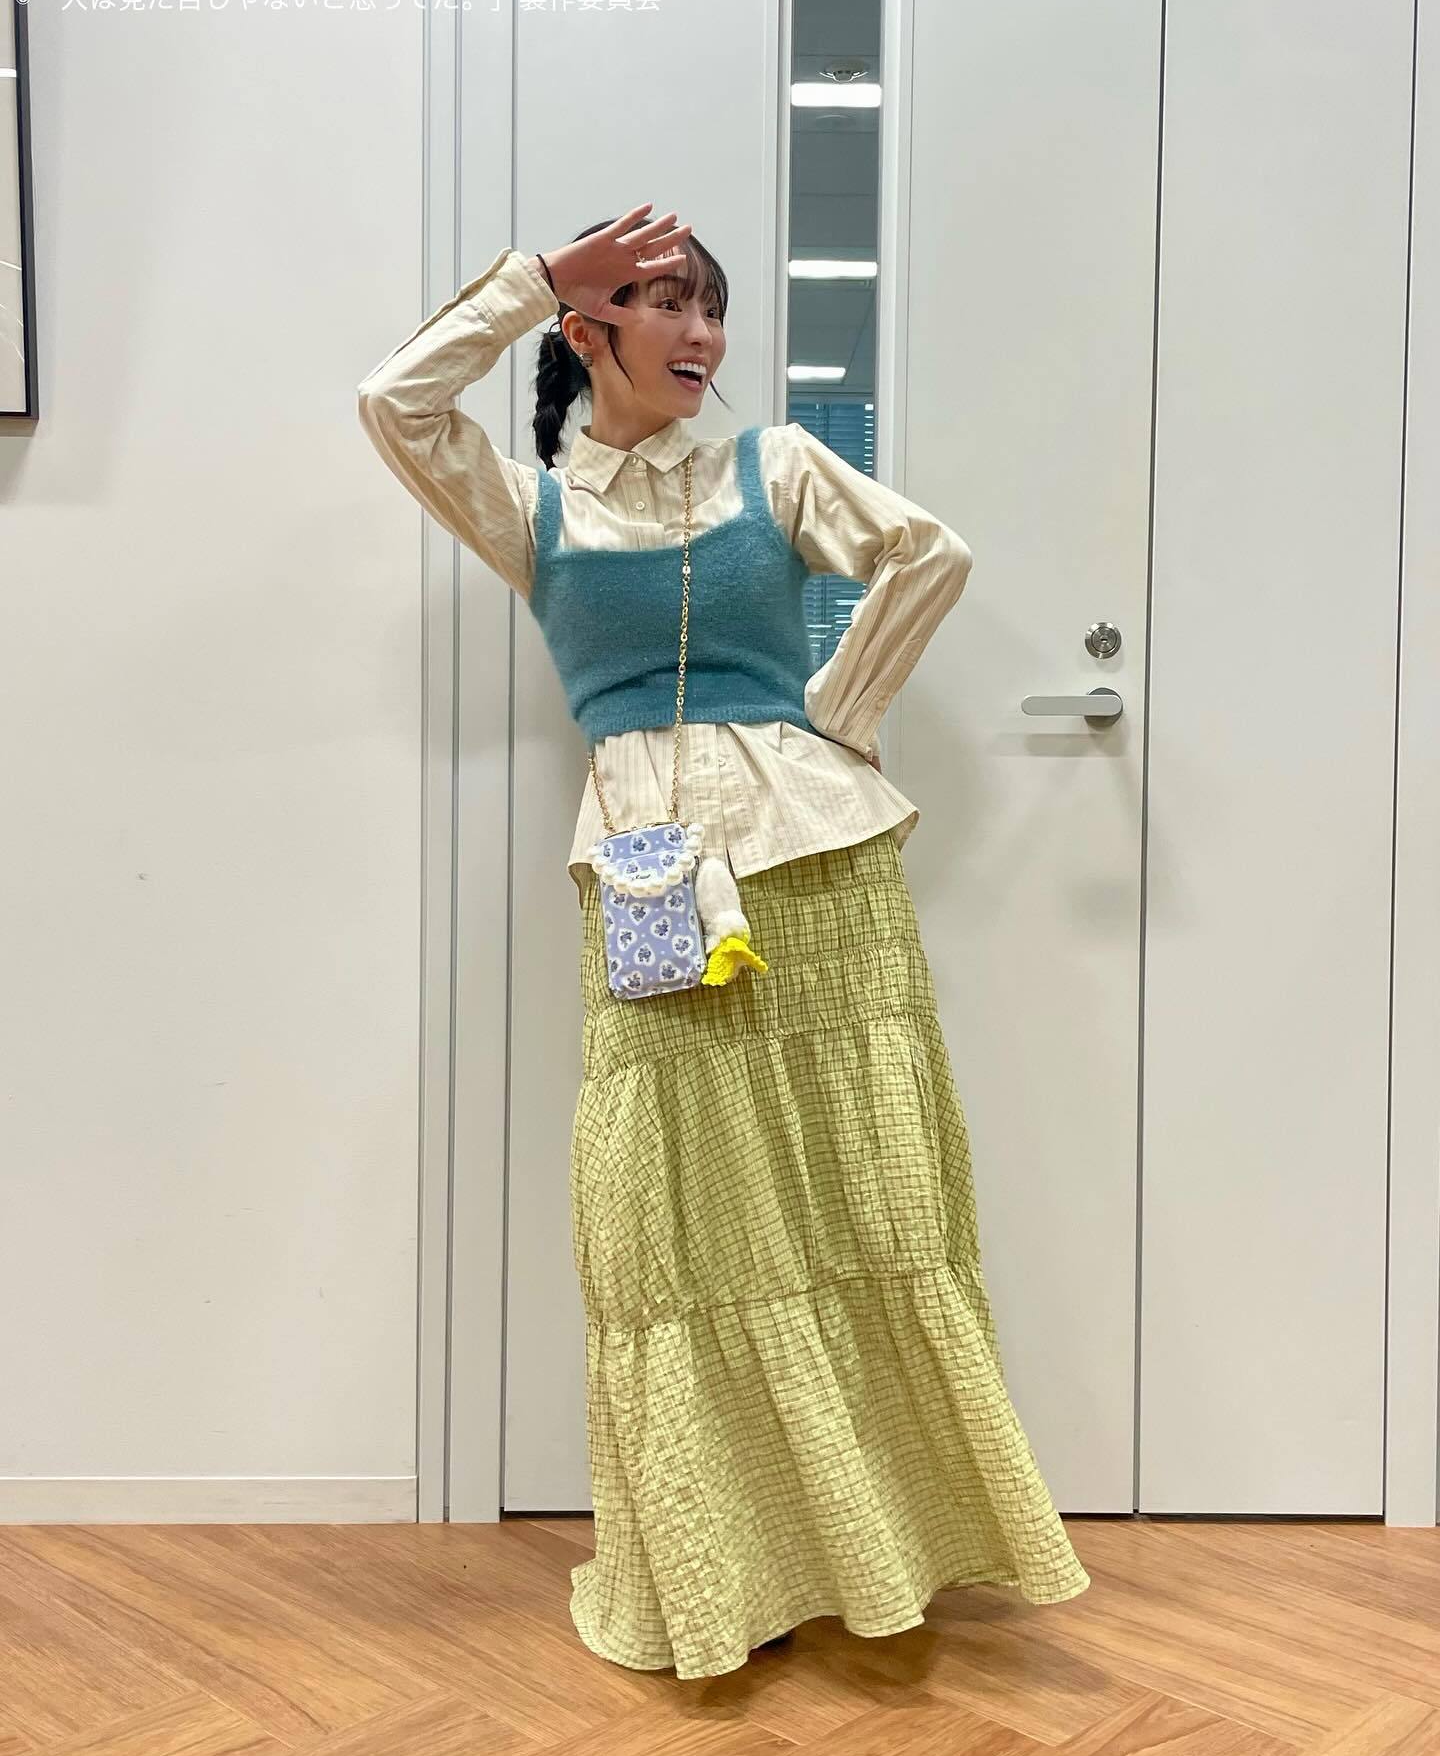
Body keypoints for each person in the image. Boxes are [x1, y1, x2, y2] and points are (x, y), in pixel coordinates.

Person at [357, 203, 1090, 1681]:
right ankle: (726, 1565)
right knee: (677, 1218)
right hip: (651, 878)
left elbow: (929, 555)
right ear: (593, 331)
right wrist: (531, 282)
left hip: (819, 856)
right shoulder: (533, 510)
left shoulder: (777, 465)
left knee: (858, 1190)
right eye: (667, 302)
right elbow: (395, 403)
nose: (703, 332)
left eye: (712, 305)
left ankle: (884, 1549)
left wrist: (838, 718)